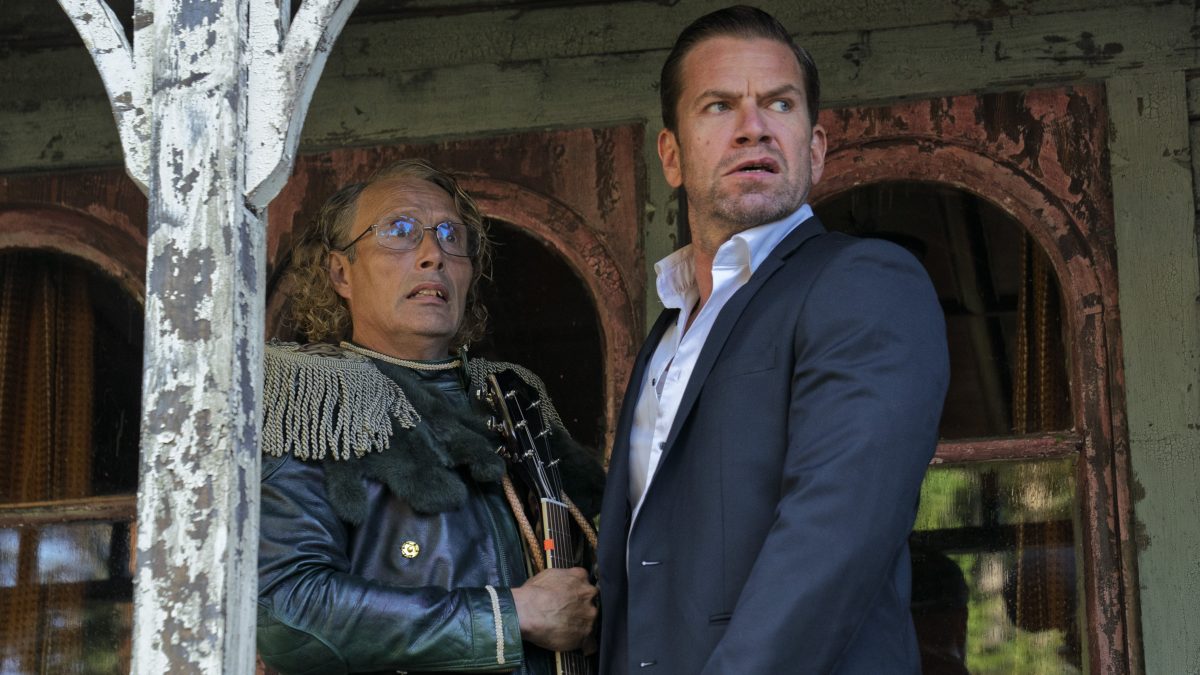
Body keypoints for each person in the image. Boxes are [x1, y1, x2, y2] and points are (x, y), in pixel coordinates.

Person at [596, 6, 950, 673]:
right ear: (671, 155)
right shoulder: (667, 334)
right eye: (719, 106)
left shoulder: (864, 282)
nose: (752, 127)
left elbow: (832, 538)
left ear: (814, 149)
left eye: (779, 104)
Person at [256, 159, 604, 675]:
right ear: (341, 272)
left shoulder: (513, 395)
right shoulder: (311, 396)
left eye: (450, 235)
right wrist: (509, 617)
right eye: (399, 231)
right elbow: (287, 614)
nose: (432, 254)